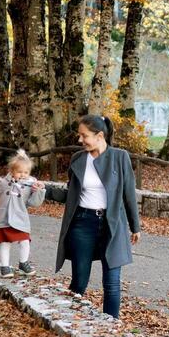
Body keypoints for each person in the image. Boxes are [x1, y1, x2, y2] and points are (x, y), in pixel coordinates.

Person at [45, 114, 141, 317]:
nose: (80, 140)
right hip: (82, 224)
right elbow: (70, 194)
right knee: (79, 281)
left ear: (99, 135)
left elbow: (129, 194)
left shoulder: (120, 157)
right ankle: (70, 323)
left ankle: (111, 329)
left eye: (84, 135)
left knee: (112, 283)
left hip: (112, 225)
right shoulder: (78, 159)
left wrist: (135, 226)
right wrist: (44, 190)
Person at [0, 149, 45, 278]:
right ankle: (5, 267)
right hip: (5, 218)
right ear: (12, 171)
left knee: (25, 241)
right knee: (5, 243)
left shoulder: (30, 185)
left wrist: (39, 191)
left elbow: (34, 203)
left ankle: (23, 263)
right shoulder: (4, 183)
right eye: (19, 172)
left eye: (26, 172)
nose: (23, 175)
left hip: (20, 218)